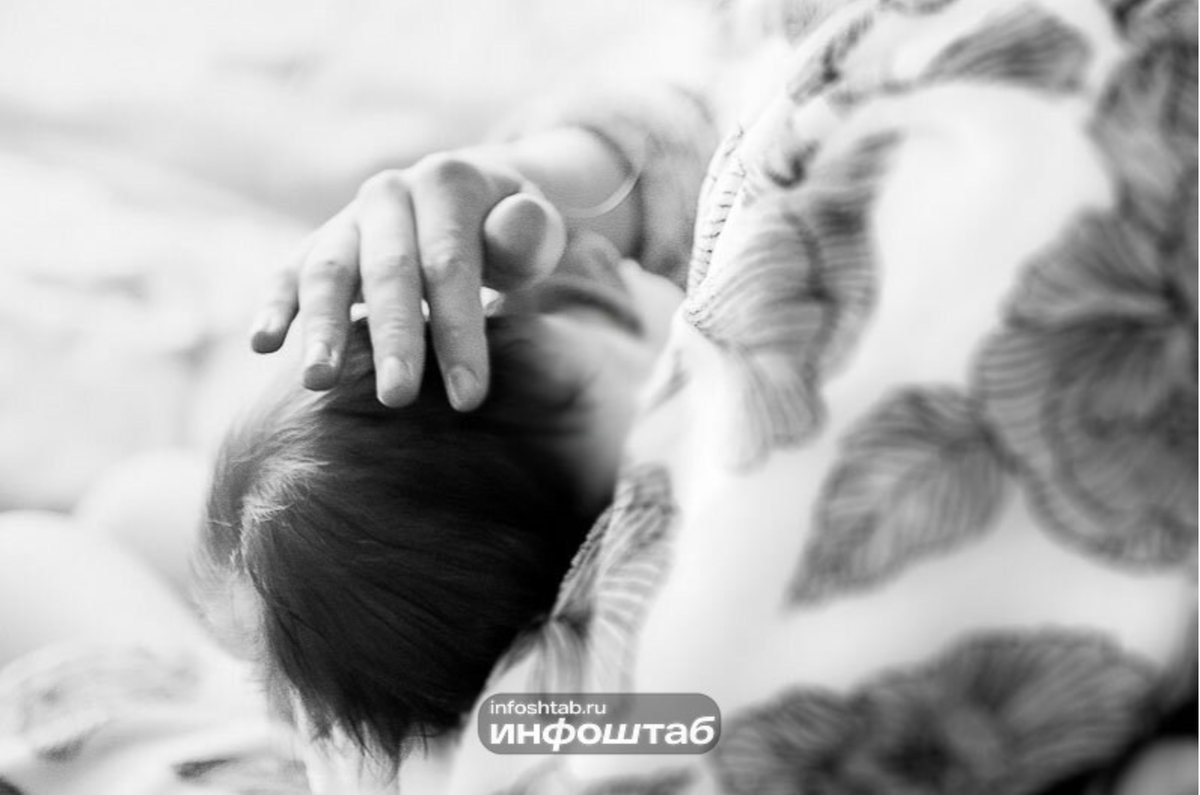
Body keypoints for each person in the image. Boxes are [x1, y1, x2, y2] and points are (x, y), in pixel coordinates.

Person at [238, 0, 1197, 792]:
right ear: (611, 545)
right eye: (589, 311)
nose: (597, 266)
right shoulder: (690, 615)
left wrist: (582, 170)